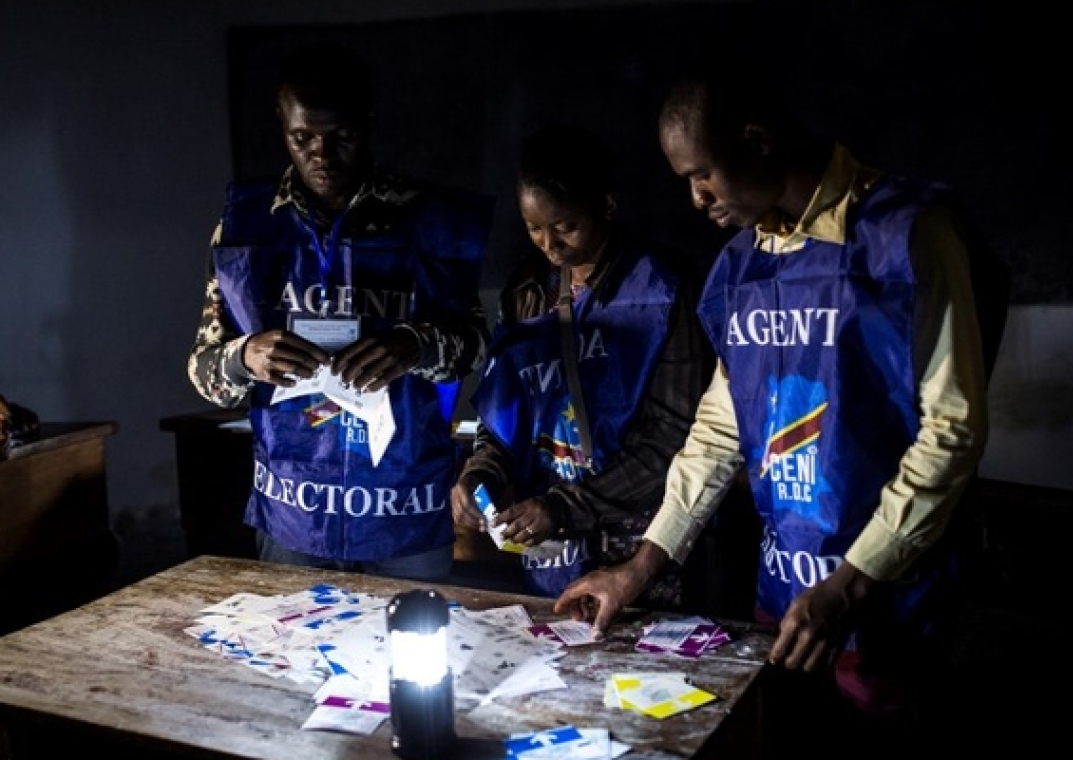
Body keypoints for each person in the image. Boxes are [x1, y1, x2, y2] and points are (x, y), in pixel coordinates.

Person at [553, 60, 1009, 750]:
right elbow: (717, 430)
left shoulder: (906, 234)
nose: (696, 199)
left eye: (701, 174)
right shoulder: (740, 266)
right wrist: (638, 567)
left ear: (758, 140)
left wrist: (851, 587)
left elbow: (952, 429)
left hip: (890, 609)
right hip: (787, 603)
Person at [187, 41, 493, 582]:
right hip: (294, 514)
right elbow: (205, 371)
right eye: (302, 139)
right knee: (293, 657)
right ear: (281, 127)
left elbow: (475, 343)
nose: (322, 157)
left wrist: (415, 345)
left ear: (367, 124)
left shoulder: (427, 221)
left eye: (341, 137)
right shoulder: (246, 228)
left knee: (412, 658)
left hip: (403, 513)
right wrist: (244, 357)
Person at [450, 123, 716, 602]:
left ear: (606, 207)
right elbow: (502, 417)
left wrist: (567, 504)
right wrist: (480, 474)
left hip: (640, 543)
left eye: (566, 226)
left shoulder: (661, 291)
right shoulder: (528, 294)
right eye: (534, 228)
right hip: (551, 541)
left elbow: (674, 436)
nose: (551, 247)